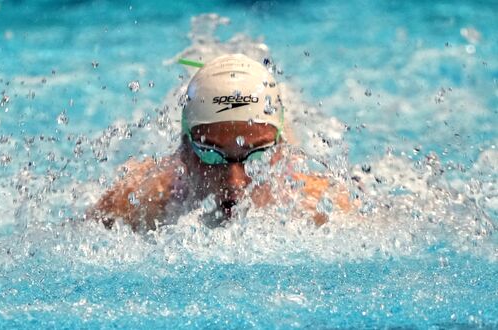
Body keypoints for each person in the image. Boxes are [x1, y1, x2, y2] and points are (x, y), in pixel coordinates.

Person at [88, 54, 354, 231]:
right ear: (183, 149)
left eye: (257, 155)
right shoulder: (140, 198)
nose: (234, 181)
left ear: (280, 151)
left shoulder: (319, 205)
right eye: (210, 153)